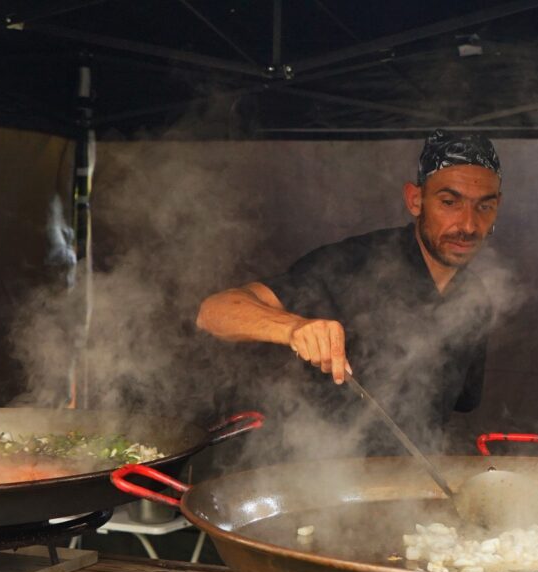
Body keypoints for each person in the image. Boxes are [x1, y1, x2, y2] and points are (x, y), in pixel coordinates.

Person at [196, 129, 502, 452]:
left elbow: (460, 403)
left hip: (411, 489)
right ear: (415, 200)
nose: (468, 225)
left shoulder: (475, 297)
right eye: (449, 202)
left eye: (484, 207)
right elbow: (213, 312)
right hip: (323, 479)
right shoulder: (354, 264)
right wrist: (294, 328)